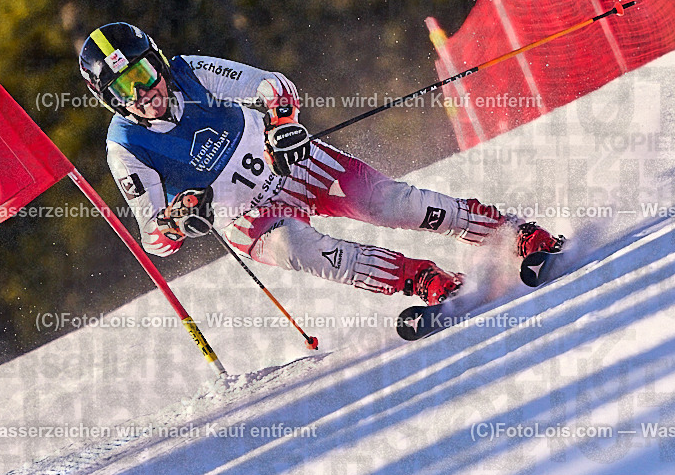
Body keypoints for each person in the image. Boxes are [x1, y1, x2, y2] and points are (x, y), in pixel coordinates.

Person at [79, 23, 560, 306]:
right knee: (303, 249)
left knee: (391, 204)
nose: (143, 93)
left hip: (288, 164)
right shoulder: (125, 146)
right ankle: (423, 280)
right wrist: (177, 219)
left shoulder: (190, 72)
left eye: (143, 73)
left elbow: (270, 85)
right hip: (248, 218)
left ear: (159, 62)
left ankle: (511, 233)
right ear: (109, 99)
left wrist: (281, 124)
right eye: (124, 88)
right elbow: (154, 237)